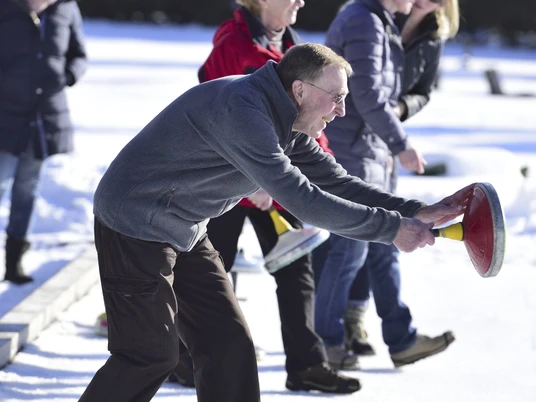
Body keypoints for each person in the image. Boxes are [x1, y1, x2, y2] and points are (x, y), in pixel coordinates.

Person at [78, 42, 474, 402]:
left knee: (228, 344)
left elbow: (335, 181)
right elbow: (303, 198)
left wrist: (414, 210)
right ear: (300, 90)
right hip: (134, 222)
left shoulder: (284, 118)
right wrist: (391, 230)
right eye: (336, 98)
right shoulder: (245, 112)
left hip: (183, 226)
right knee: (149, 354)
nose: (342, 110)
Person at [180, 0, 361, 394]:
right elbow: (225, 117)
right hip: (229, 187)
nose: (300, 1)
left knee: (297, 276)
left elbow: (306, 126)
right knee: (210, 275)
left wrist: (318, 167)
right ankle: (185, 358)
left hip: (279, 184)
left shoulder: (296, 50)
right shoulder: (233, 43)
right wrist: (255, 180)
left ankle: (307, 366)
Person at [313, 0, 454, 371]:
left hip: (372, 151)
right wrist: (401, 144)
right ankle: (324, 343)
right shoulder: (364, 20)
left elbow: (399, 94)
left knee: (384, 248)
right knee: (349, 251)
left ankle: (400, 338)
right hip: (350, 150)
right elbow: (369, 94)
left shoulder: (383, 21)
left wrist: (394, 137)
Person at [0, 0, 87, 284]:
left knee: (28, 189)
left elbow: (79, 55)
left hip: (44, 116)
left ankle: (14, 263)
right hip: (6, 113)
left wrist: (68, 75)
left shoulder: (66, 8)